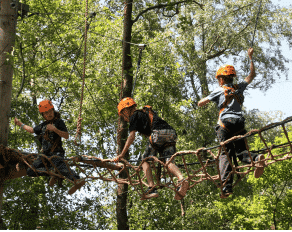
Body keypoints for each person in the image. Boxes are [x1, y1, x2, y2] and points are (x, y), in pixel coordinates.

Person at [198, 48, 266, 198]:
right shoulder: (239, 88)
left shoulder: (219, 89)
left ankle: (226, 187)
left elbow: (201, 103)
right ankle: (255, 158)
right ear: (232, 77)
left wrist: (204, 100)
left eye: (218, 79)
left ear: (221, 79)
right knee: (241, 151)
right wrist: (250, 57)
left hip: (225, 125)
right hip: (239, 123)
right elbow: (252, 75)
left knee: (225, 154)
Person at [110, 97, 189, 200]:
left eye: (123, 115)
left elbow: (131, 137)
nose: (124, 118)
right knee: (168, 161)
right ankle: (182, 179)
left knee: (145, 161)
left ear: (126, 110)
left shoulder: (134, 115)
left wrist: (121, 155)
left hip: (158, 134)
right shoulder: (144, 113)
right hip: (171, 133)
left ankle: (151, 188)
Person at [14, 99, 85, 194]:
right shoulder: (43, 125)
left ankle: (76, 180)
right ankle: (53, 172)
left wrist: (55, 129)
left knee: (61, 166)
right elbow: (32, 130)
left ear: (53, 111)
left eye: (50, 111)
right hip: (44, 155)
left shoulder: (58, 122)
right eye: (45, 113)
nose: (48, 114)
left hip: (56, 152)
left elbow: (66, 136)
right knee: (30, 171)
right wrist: (20, 124)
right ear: (43, 115)